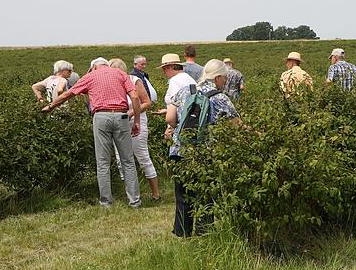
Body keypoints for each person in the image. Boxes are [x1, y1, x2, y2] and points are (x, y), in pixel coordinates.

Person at [43, 57, 143, 208]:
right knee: (127, 161)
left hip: (101, 116)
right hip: (122, 116)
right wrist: (136, 120)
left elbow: (67, 94)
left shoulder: (90, 76)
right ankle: (135, 201)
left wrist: (50, 106)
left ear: (94, 67)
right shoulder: (120, 74)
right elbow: (134, 96)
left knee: (103, 162)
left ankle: (106, 202)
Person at [166, 59, 241, 237]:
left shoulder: (186, 90)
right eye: (224, 79)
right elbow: (236, 125)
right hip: (204, 154)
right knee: (205, 196)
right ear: (218, 77)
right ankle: (204, 233)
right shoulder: (220, 97)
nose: (224, 82)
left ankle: (182, 233)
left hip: (180, 151)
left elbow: (169, 118)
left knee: (183, 195)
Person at [109, 58, 160, 201]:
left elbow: (146, 102)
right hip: (119, 123)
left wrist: (132, 113)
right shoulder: (110, 84)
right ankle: (131, 193)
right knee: (121, 158)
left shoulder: (134, 80)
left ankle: (155, 193)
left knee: (142, 156)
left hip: (137, 120)